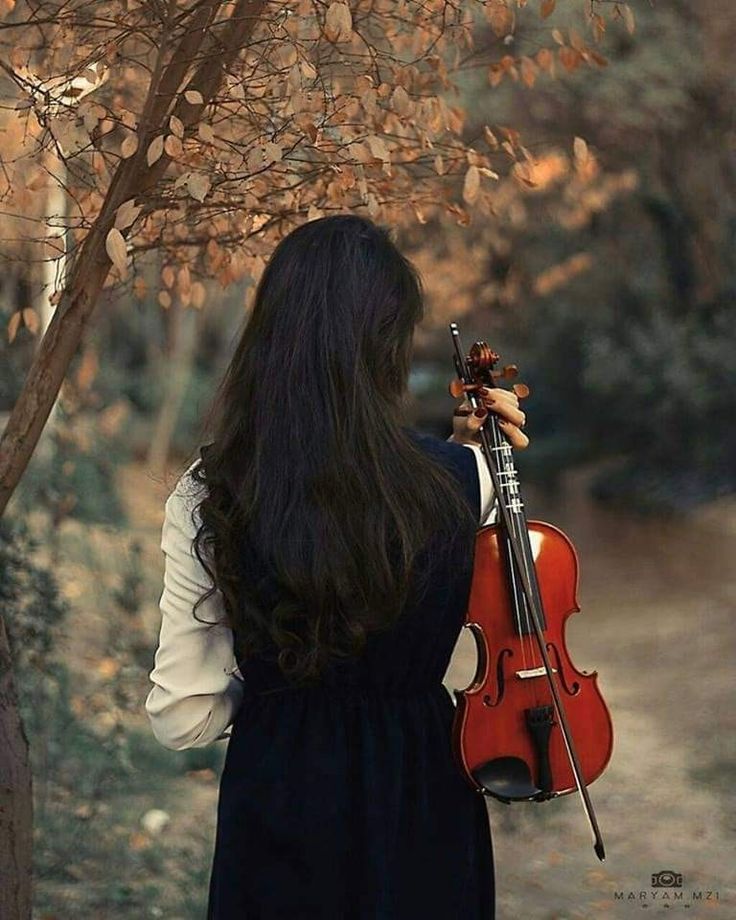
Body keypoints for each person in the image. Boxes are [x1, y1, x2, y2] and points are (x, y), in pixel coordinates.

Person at [145, 214, 528, 919]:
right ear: (386, 344)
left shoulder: (208, 489)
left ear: (271, 337)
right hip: (423, 800)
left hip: (280, 798)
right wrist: (483, 460)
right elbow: (510, 586)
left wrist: (270, 693)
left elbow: (182, 717)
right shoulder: (464, 479)